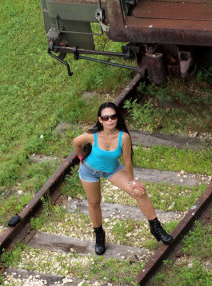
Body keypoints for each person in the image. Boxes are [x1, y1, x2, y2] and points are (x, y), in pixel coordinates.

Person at [73, 101, 173, 255]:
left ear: (117, 118)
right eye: (105, 118)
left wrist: (132, 181)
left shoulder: (123, 137)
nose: (110, 120)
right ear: (100, 120)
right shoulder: (92, 136)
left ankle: (156, 227)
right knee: (94, 202)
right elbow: (76, 143)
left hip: (111, 170)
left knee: (139, 192)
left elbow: (127, 161)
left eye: (113, 116)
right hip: (89, 172)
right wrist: (81, 158)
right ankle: (99, 235)